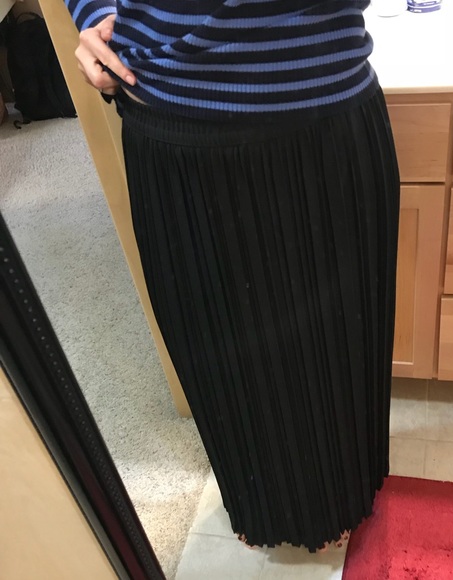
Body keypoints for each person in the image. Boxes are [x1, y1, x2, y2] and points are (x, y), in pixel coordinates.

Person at [65, 0, 400, 553]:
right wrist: (93, 11)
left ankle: (342, 499)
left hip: (324, 106)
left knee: (342, 348)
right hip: (173, 118)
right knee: (223, 360)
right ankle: (267, 508)